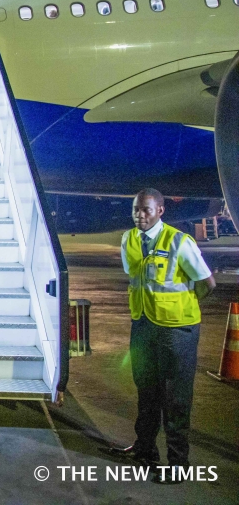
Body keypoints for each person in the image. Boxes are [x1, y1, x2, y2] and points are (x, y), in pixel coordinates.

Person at [108, 189, 215, 484]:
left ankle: (178, 464)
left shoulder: (179, 242)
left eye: (146, 210)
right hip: (143, 324)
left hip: (177, 330)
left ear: (160, 211)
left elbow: (208, 283)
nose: (139, 215)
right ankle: (145, 449)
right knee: (146, 390)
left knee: (176, 398)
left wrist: (182, 306)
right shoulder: (129, 239)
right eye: (135, 210)